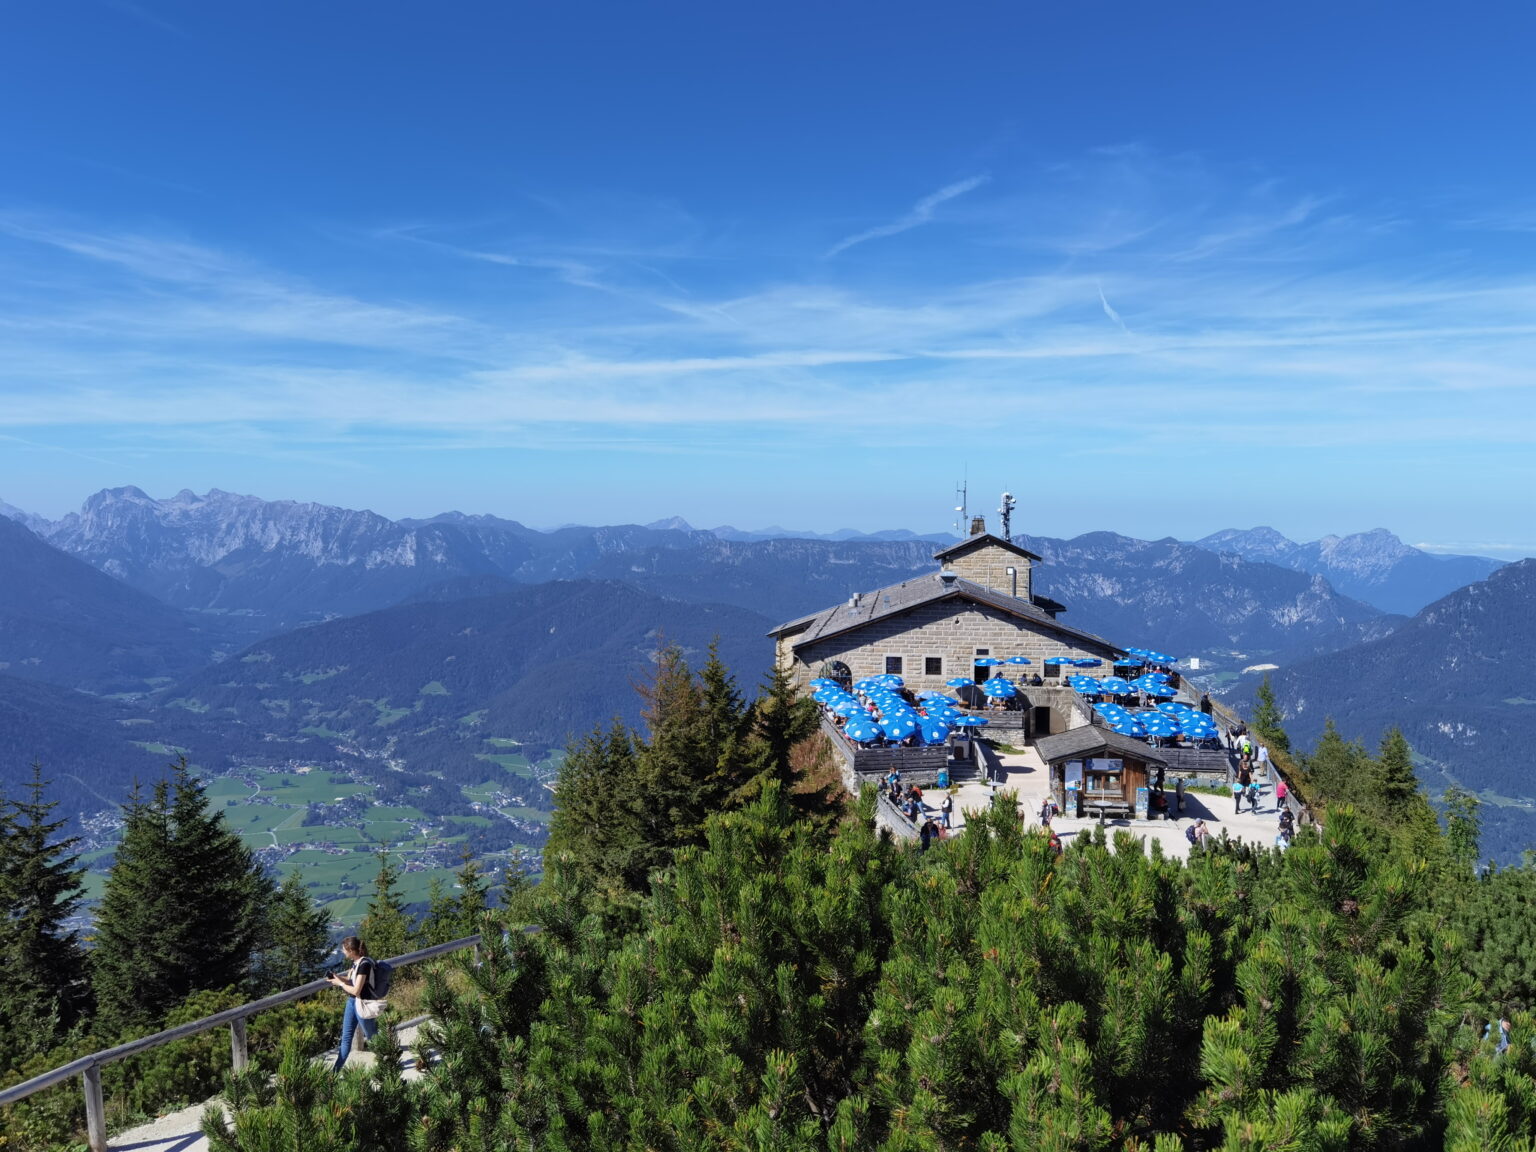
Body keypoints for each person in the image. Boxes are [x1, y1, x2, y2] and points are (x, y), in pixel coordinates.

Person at [327, 936, 379, 1072]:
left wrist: (340, 984)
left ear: (351, 950)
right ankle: (335, 1072)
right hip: (352, 1003)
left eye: (344, 950)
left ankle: (388, 1064)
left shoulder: (364, 965)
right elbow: (352, 981)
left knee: (372, 1037)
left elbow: (356, 990)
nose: (343, 952)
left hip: (362, 1004)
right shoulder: (356, 962)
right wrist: (337, 978)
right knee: (346, 1039)